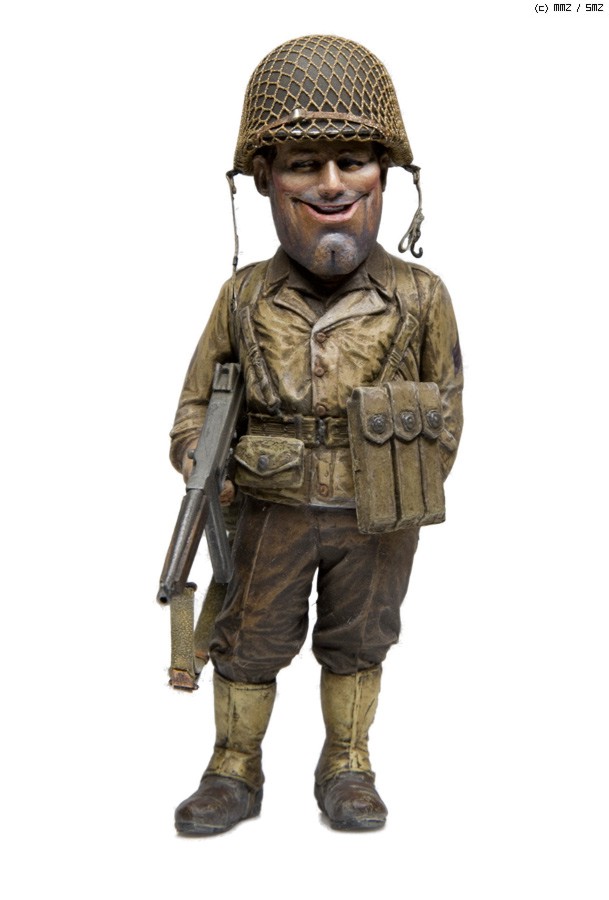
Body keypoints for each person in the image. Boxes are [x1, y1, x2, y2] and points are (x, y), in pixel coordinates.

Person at [168, 34, 463, 835]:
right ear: (266, 177)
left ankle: (347, 764)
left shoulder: (420, 297)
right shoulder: (242, 298)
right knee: (246, 640)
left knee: (360, 640)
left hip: (377, 513)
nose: (331, 184)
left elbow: (446, 408)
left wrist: (403, 480)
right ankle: (233, 766)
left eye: (352, 162)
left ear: (383, 175)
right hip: (268, 509)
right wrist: (199, 457)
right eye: (304, 164)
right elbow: (193, 405)